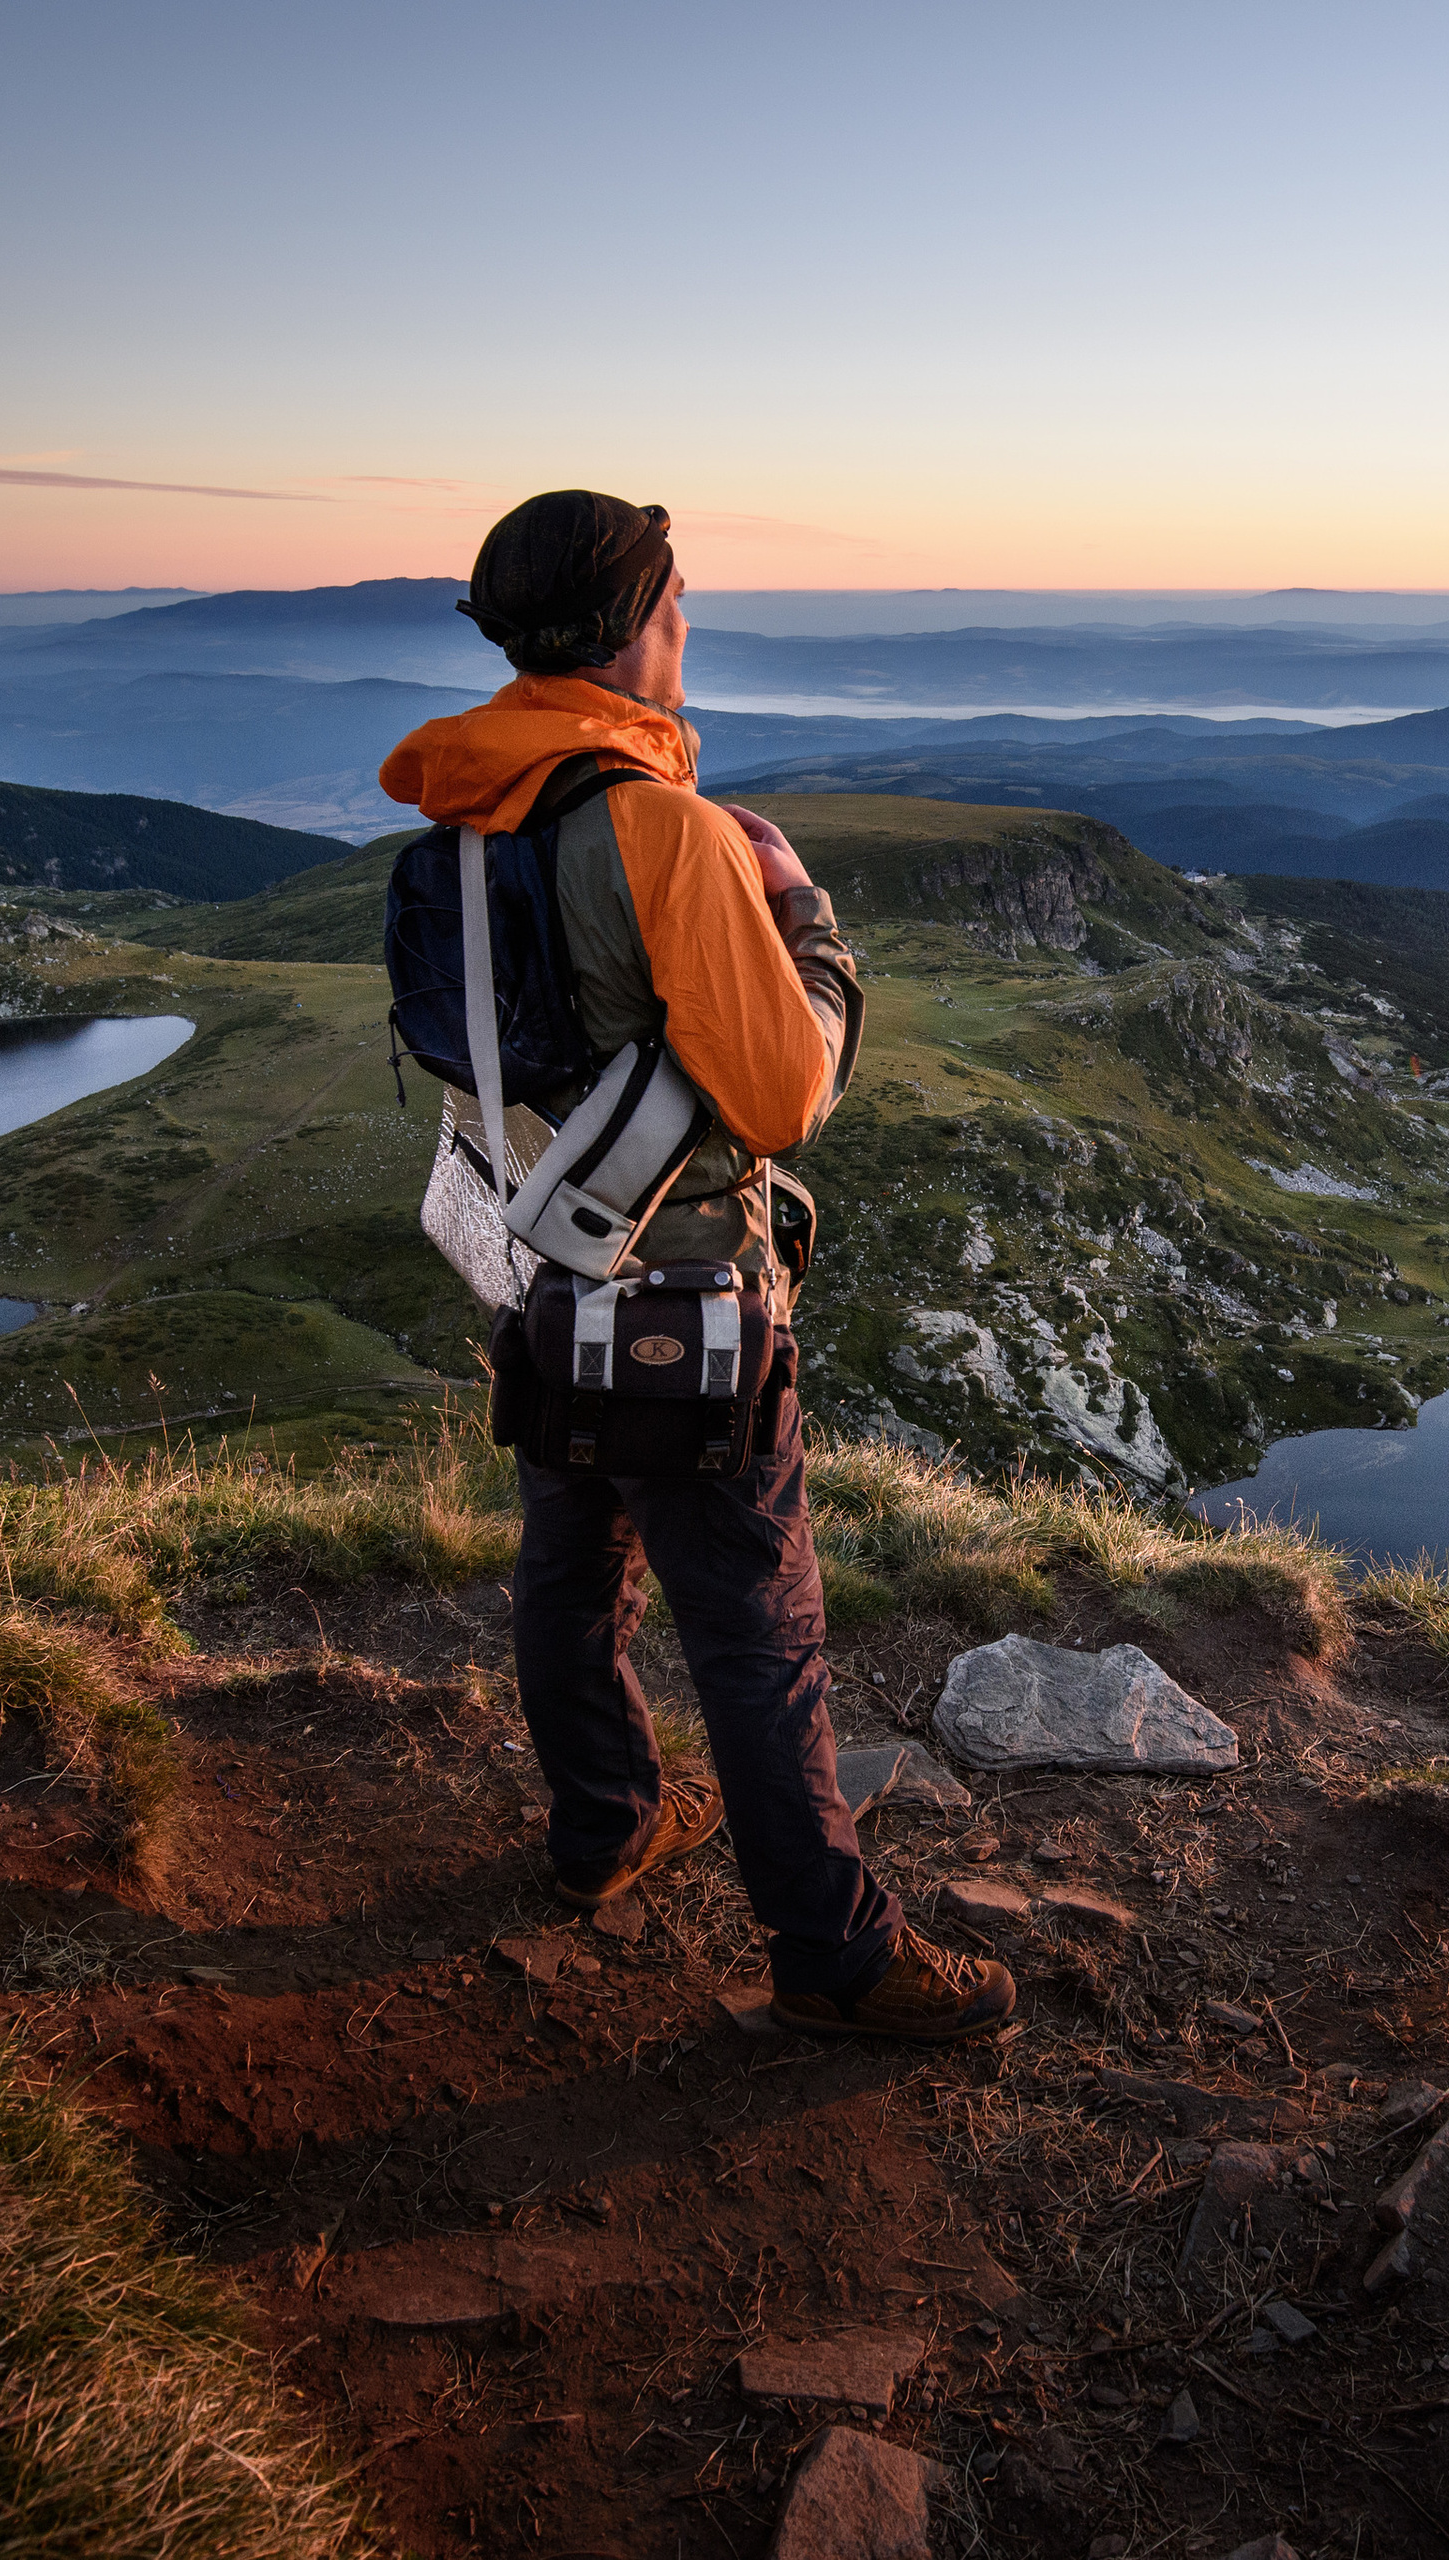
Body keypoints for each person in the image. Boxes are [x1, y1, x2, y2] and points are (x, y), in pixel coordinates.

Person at [380, 491, 1013, 2044]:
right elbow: (786, 1094)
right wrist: (804, 917)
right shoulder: (661, 828)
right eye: (674, 598)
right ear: (627, 628)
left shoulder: (462, 814)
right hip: (682, 1294)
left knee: (571, 1563)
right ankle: (836, 1957)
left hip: (540, 1269)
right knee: (758, 1632)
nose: (688, 620)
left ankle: (604, 1828)